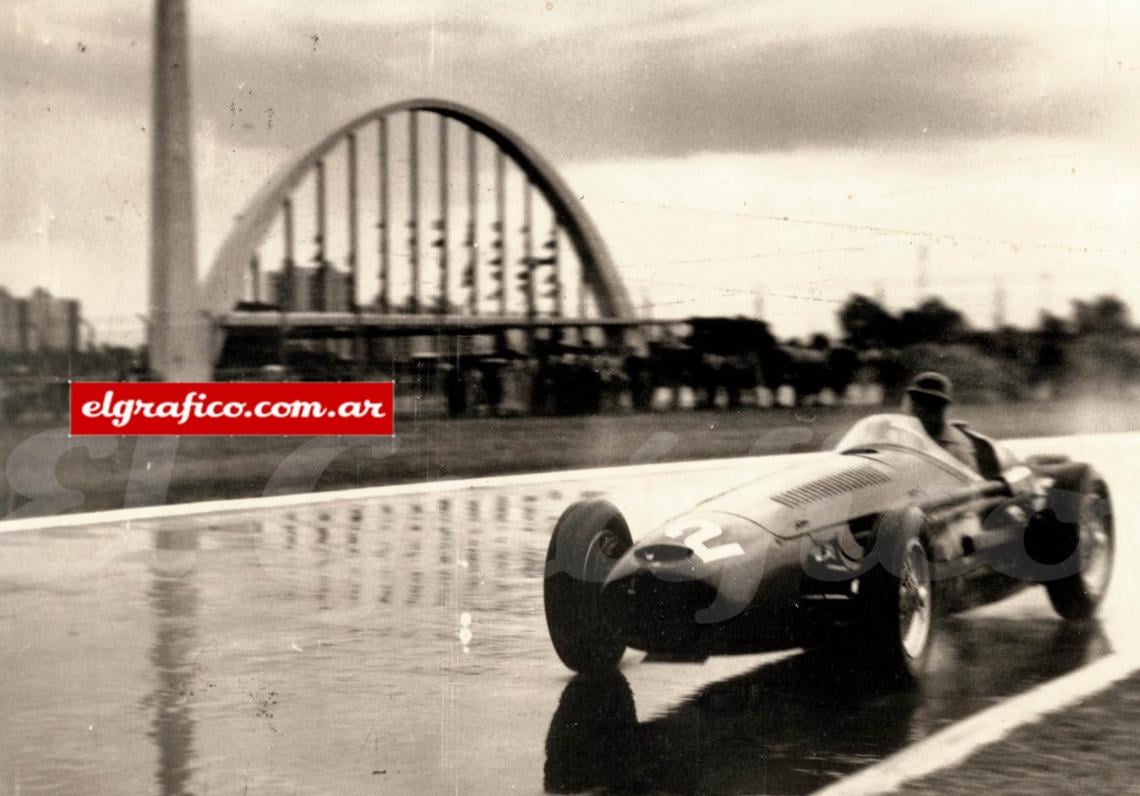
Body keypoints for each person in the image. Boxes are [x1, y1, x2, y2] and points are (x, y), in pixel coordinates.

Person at [902, 371, 979, 472]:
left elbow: (969, 482)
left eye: (930, 403)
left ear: (941, 408)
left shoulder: (955, 445)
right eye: (917, 401)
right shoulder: (900, 432)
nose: (921, 409)